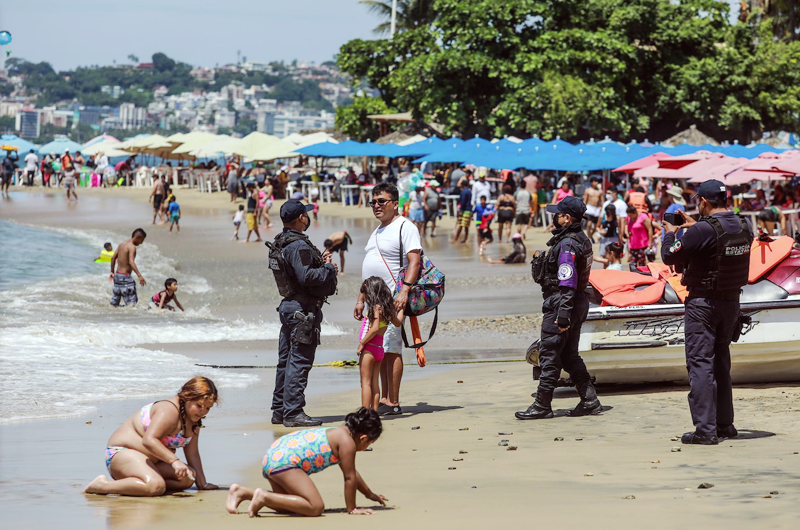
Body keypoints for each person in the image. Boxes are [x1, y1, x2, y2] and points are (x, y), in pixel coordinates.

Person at [662, 179, 752, 445]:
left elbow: (669, 256)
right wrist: (696, 227)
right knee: (721, 363)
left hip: (704, 304)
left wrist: (671, 232)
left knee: (700, 364)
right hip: (732, 303)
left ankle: (705, 430)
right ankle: (724, 425)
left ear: (702, 201)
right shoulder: (744, 225)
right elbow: (719, 240)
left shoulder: (702, 230)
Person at [516, 196, 601, 420]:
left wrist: (562, 316)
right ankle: (590, 400)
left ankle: (542, 405)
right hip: (575, 302)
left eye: (558, 214)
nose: (555, 218)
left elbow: (567, 281)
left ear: (566, 218)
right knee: (569, 355)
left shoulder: (567, 244)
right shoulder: (581, 239)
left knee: (549, 354)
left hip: (564, 303)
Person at [226, 408, 387, 517]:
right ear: (363, 437)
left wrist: (369, 494)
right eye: (369, 444)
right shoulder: (347, 443)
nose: (366, 447)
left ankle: (243, 492)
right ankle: (263, 497)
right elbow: (349, 478)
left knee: (287, 505)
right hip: (286, 462)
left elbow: (352, 473)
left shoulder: (338, 432)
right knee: (315, 507)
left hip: (273, 456)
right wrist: (352, 509)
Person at [268, 199, 339, 427]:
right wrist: (328, 268)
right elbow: (307, 277)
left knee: (286, 362)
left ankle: (280, 411)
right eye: (306, 215)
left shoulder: (282, 242)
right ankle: (293, 413)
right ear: (301, 218)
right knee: (298, 362)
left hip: (290, 307)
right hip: (302, 311)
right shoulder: (297, 245)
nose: (308, 217)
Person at [84, 377, 219, 496]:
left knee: (188, 478)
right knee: (156, 486)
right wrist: (174, 461)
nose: (203, 412)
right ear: (187, 396)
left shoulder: (193, 420)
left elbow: (193, 453)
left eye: (207, 408)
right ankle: (101, 486)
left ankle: (141, 484)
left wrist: (202, 483)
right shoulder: (169, 410)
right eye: (199, 405)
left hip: (153, 461)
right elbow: (149, 440)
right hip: (122, 454)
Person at [356, 183, 421, 416]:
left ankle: (392, 401)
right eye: (373, 202)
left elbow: (415, 261)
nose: (376, 206)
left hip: (392, 298)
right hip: (374, 300)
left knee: (392, 350)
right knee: (380, 350)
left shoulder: (406, 227)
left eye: (381, 201)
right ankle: (382, 399)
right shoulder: (378, 230)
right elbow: (369, 268)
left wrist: (404, 291)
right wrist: (360, 299)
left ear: (395, 204)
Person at [358, 277, 405, 410]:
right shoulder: (387, 310)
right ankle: (374, 412)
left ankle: (365, 412)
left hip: (369, 349)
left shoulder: (375, 308)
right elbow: (398, 322)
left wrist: (362, 343)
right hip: (379, 350)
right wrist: (402, 309)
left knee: (365, 383)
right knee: (374, 383)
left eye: (366, 294)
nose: (365, 297)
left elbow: (374, 328)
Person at [109, 228, 147, 307]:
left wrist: (112, 272)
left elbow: (113, 258)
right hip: (125, 277)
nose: (140, 243)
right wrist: (139, 276)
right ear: (137, 238)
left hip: (117, 276)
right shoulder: (132, 247)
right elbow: (131, 261)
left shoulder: (122, 245)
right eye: (141, 241)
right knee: (132, 304)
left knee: (114, 304)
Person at [583, 176, 603, 241]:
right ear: (592, 182)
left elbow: (602, 201)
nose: (597, 183)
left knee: (596, 226)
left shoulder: (600, 191)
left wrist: (603, 209)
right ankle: (589, 237)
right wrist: (583, 209)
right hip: (589, 207)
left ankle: (591, 235)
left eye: (597, 181)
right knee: (589, 224)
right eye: (595, 181)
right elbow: (585, 200)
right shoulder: (588, 190)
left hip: (597, 208)